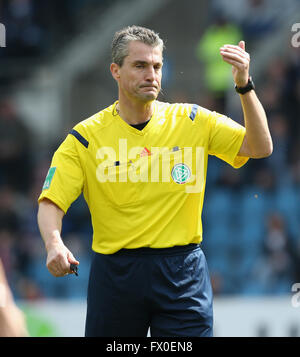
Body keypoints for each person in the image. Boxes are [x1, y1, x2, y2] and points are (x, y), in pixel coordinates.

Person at [37, 25, 272, 337]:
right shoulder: (85, 137)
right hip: (116, 275)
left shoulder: (192, 120)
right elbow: (51, 201)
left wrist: (244, 86)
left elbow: (260, 147)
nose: (151, 74)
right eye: (140, 65)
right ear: (115, 71)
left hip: (182, 272)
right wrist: (54, 243)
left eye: (157, 66)